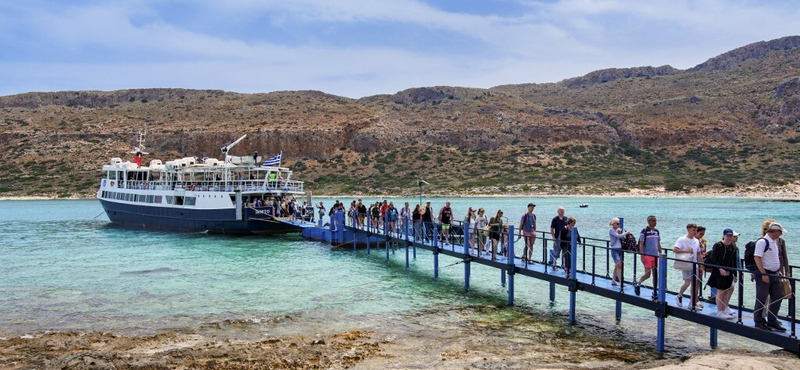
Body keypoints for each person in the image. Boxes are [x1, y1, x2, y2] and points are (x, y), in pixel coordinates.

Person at [753, 222, 788, 331]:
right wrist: (763, 273)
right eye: (780, 232)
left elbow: (774, 258)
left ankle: (772, 321)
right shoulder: (763, 242)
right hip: (765, 274)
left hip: (774, 274)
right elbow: (757, 257)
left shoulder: (774, 242)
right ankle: (759, 322)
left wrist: (778, 270)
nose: (781, 234)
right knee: (762, 298)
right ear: (775, 231)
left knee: (777, 296)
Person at [706, 229, 739, 319]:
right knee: (720, 290)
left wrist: (735, 274)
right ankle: (719, 310)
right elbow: (713, 258)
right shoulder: (718, 245)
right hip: (718, 271)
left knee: (727, 290)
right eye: (727, 236)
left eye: (730, 236)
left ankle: (724, 309)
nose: (729, 238)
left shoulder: (732, 247)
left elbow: (733, 261)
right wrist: (720, 268)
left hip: (729, 271)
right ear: (723, 236)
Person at [673, 223, 702, 309]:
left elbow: (699, 253)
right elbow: (675, 249)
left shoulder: (696, 241)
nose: (695, 232)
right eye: (693, 230)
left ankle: (691, 303)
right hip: (686, 263)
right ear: (688, 230)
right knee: (687, 282)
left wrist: (701, 265)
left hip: (695, 264)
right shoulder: (682, 239)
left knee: (694, 284)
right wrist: (687, 251)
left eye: (696, 230)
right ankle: (679, 295)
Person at [634, 215, 662, 300]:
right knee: (648, 274)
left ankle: (655, 292)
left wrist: (661, 253)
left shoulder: (657, 231)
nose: (655, 222)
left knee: (655, 274)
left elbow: (658, 243)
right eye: (653, 221)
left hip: (655, 256)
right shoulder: (644, 231)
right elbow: (641, 244)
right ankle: (638, 283)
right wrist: (642, 256)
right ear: (649, 221)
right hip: (647, 255)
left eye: (656, 221)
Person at [608, 218, 629, 286]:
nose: (618, 225)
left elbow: (622, 238)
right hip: (614, 249)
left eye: (619, 223)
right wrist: (626, 233)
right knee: (619, 265)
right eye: (617, 223)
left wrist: (622, 233)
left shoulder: (618, 230)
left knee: (617, 266)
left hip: (620, 249)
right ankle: (621, 282)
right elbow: (617, 236)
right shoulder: (611, 230)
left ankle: (613, 281)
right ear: (613, 224)